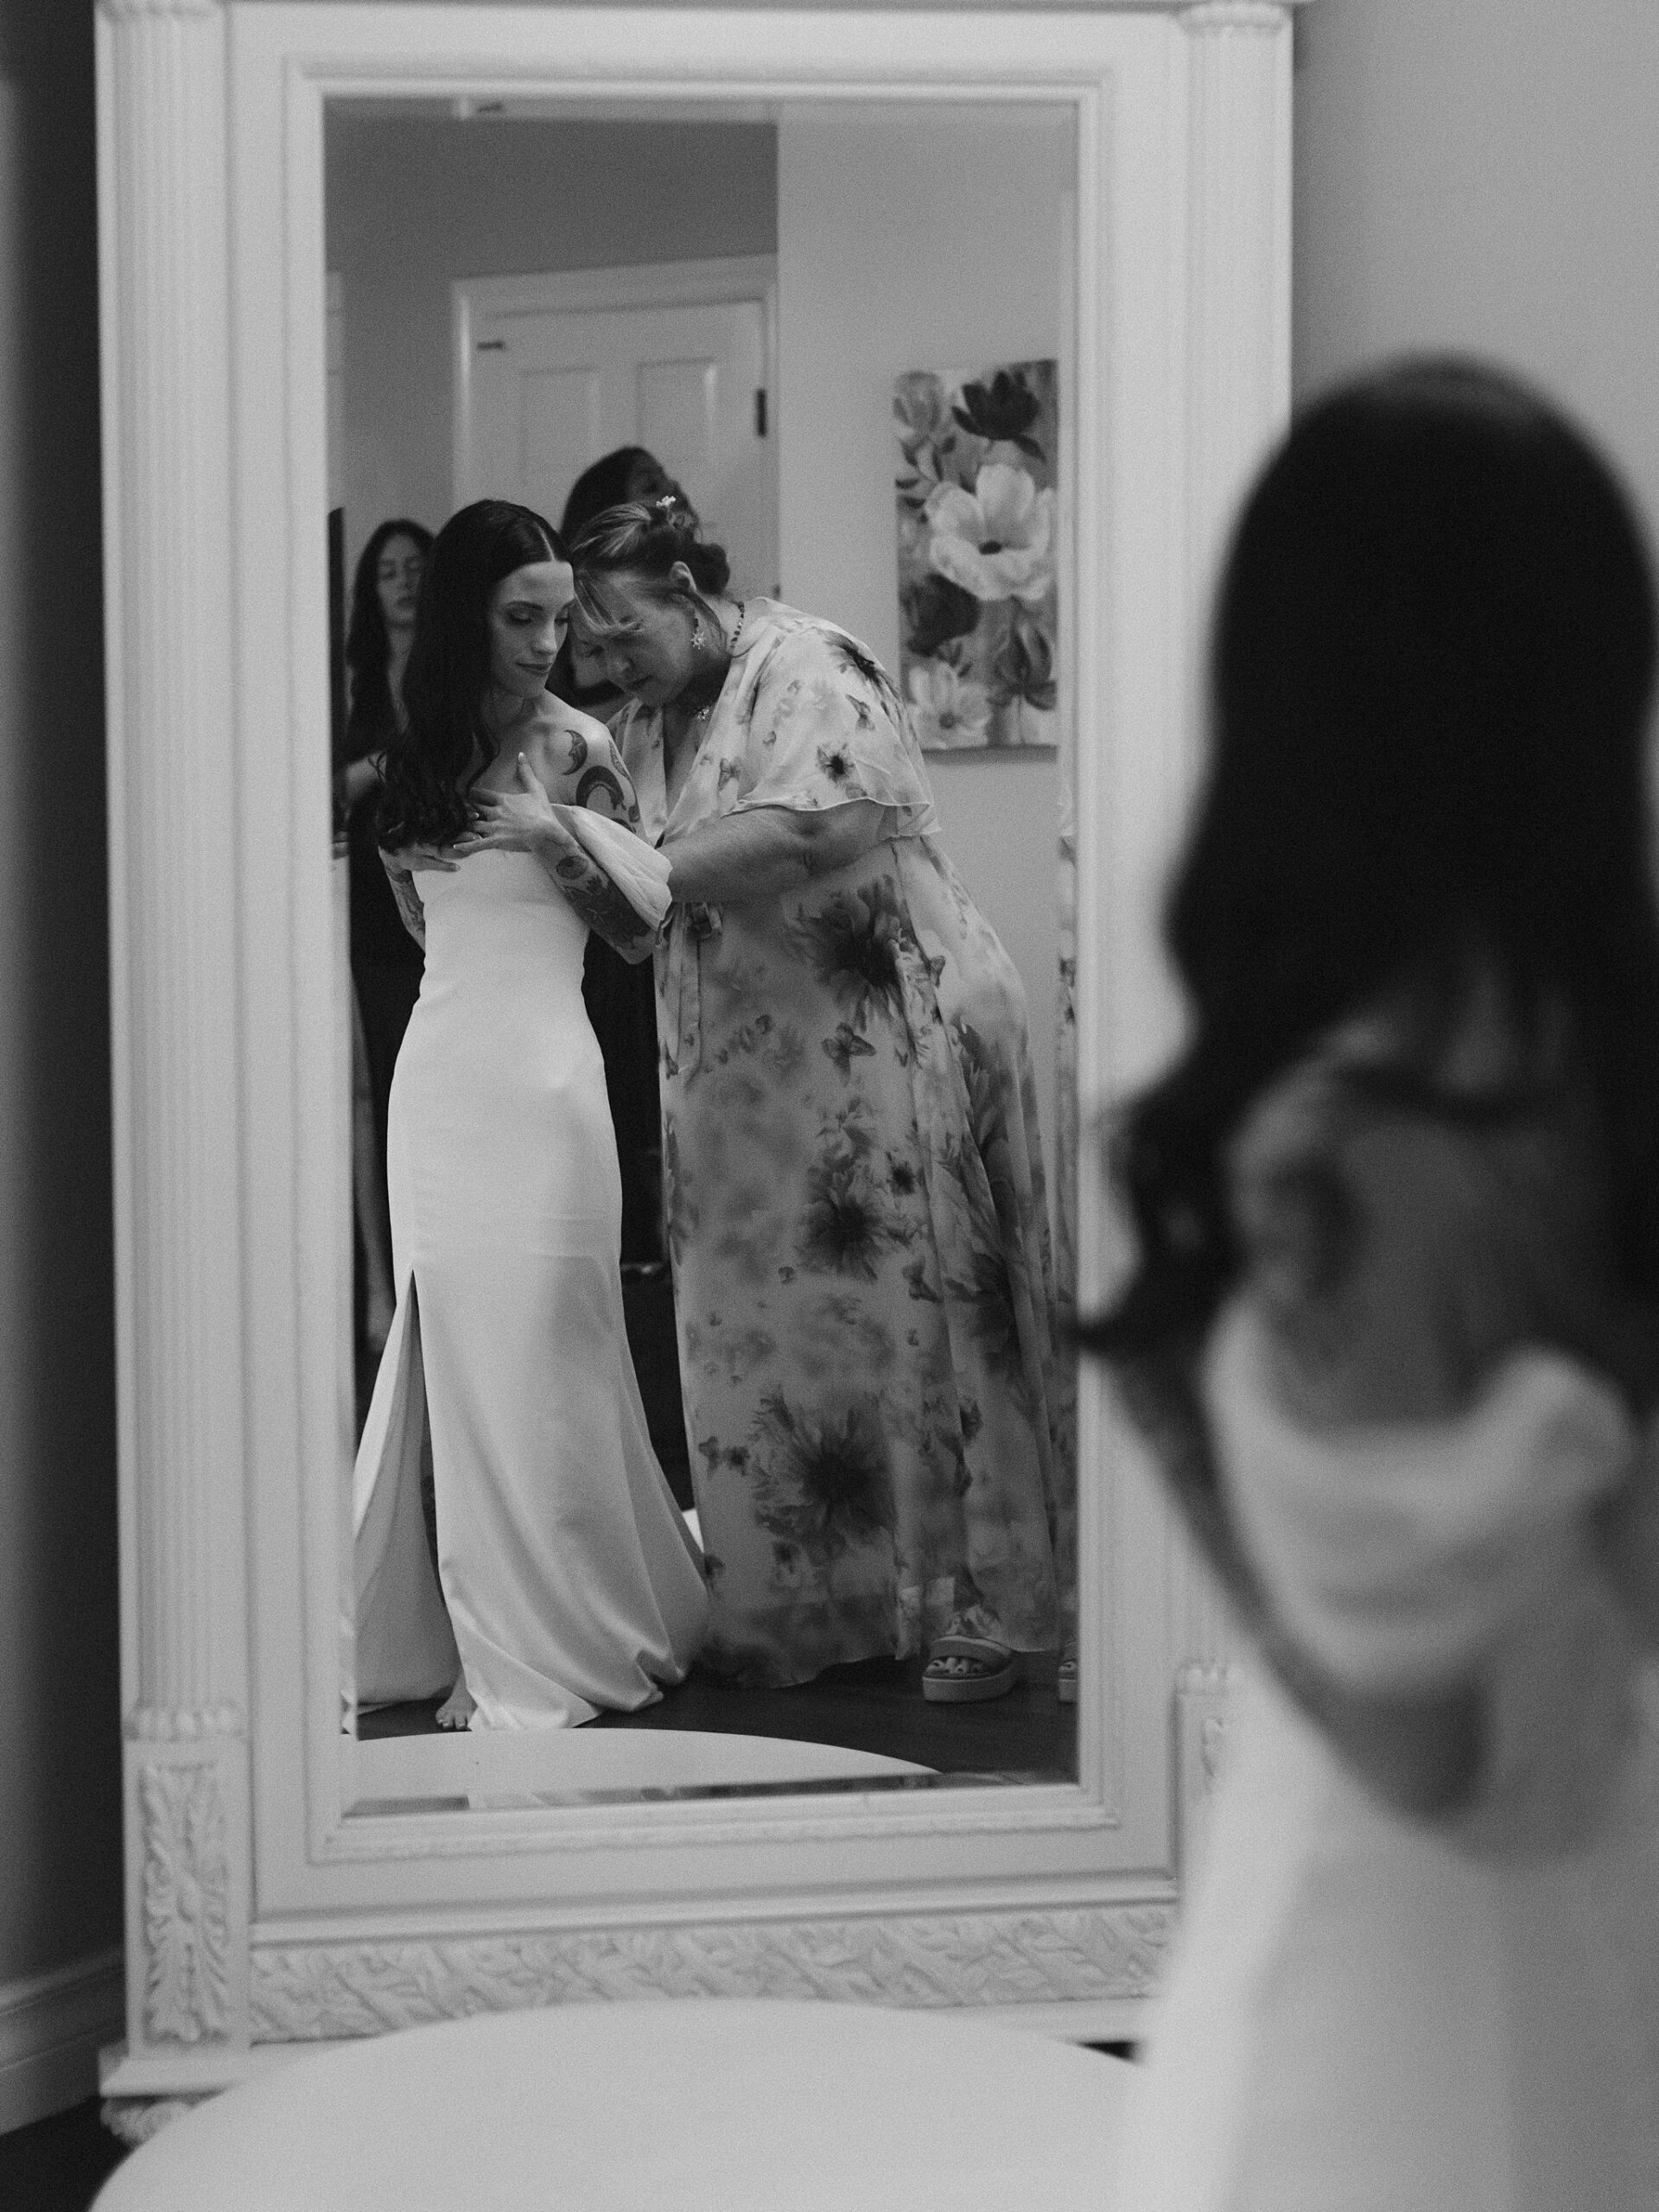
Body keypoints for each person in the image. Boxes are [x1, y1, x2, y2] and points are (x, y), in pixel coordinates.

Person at [1087, 361, 1659, 2209]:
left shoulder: (1345, 1143)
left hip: (1409, 1953)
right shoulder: (1575, 1084)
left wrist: (1213, 1430)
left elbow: (1439, 1746)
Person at [476, 499, 1068, 1697]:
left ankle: (990, 1604)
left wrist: (617, 861)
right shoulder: (643, 731)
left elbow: (815, 831)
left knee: (932, 1322)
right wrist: (546, 856)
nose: (606, 658)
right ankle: (830, 1601)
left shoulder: (807, 662)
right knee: (801, 1340)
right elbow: (633, 927)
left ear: (689, 595)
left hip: (895, 1042)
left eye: (621, 627)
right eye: (589, 642)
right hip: (761, 1091)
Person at [351, 498, 707, 1731]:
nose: (551, 640)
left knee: (548, 1353)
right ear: (468, 617)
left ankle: (552, 1636)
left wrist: (553, 835)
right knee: (456, 1359)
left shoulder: (579, 752)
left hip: (552, 1089)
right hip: (443, 1087)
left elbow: (638, 929)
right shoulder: (406, 765)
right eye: (523, 616)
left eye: (563, 616)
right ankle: (471, 1629)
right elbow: (417, 927)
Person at [339, 519, 433, 1355]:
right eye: (388, 571)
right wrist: (392, 756)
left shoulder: (461, 679)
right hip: (371, 921)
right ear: (371, 591)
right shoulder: (354, 692)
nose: (403, 582)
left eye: (416, 568)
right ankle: (381, 1287)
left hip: (453, 914)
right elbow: (325, 792)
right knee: (376, 1102)